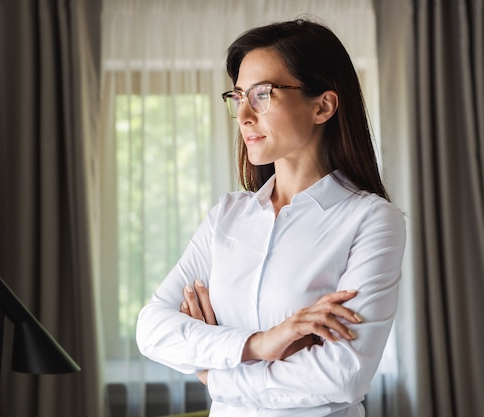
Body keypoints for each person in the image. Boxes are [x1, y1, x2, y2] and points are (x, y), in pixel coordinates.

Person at [136, 19, 406, 417]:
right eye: (239, 95)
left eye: (263, 94)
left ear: (323, 106)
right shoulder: (226, 217)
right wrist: (261, 343)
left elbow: (342, 375)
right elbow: (152, 330)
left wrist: (216, 372)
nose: (244, 114)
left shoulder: (371, 220)